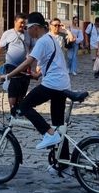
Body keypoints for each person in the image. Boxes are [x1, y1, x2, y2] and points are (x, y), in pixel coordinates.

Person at [4, 12, 71, 164]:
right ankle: (63, 163)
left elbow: (28, 61)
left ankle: (47, 133)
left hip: (53, 84)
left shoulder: (42, 41)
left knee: (24, 106)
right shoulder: (51, 40)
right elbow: (51, 63)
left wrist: (8, 75)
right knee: (58, 125)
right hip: (62, 84)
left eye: (28, 28)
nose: (27, 31)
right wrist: (36, 75)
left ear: (35, 27)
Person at [0, 13, 31, 113]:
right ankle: (12, 109)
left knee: (23, 86)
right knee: (14, 85)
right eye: (21, 23)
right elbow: (0, 48)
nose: (23, 25)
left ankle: (19, 106)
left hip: (24, 65)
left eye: (24, 23)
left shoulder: (28, 35)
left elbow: (33, 48)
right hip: (11, 64)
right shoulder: (8, 34)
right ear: (15, 22)